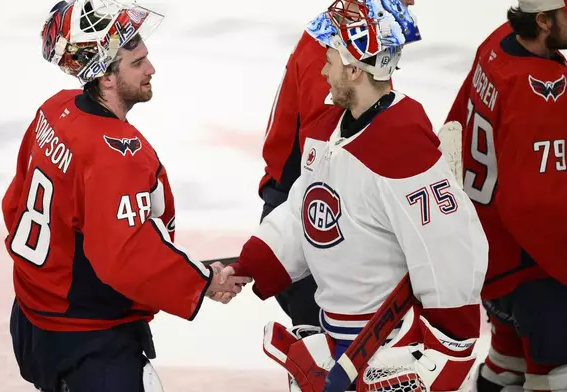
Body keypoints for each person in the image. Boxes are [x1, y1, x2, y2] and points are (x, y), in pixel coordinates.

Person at [222, 1, 488, 391]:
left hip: (392, 352)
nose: (322, 69)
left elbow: (446, 247)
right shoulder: (327, 130)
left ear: (353, 69)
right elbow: (303, 211)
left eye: (329, 60)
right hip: (334, 342)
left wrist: (448, 346)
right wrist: (253, 264)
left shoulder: (401, 146)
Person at [1, 1, 250, 391]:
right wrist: (202, 283)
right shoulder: (119, 154)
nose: (151, 69)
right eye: (137, 63)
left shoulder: (54, 109)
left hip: (33, 319)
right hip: (90, 339)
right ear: (105, 78)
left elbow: (15, 202)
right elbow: (127, 255)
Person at [259, 0, 415, 329]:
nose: (412, 2)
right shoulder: (336, 44)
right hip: (311, 214)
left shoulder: (353, 33)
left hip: (319, 209)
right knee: (329, 356)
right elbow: (331, 154)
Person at [445, 1, 567, 391]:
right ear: (544, 21)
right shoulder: (543, 92)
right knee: (552, 378)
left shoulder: (497, 43)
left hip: (488, 251)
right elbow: (535, 206)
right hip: (531, 268)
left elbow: (454, 129)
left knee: (506, 363)